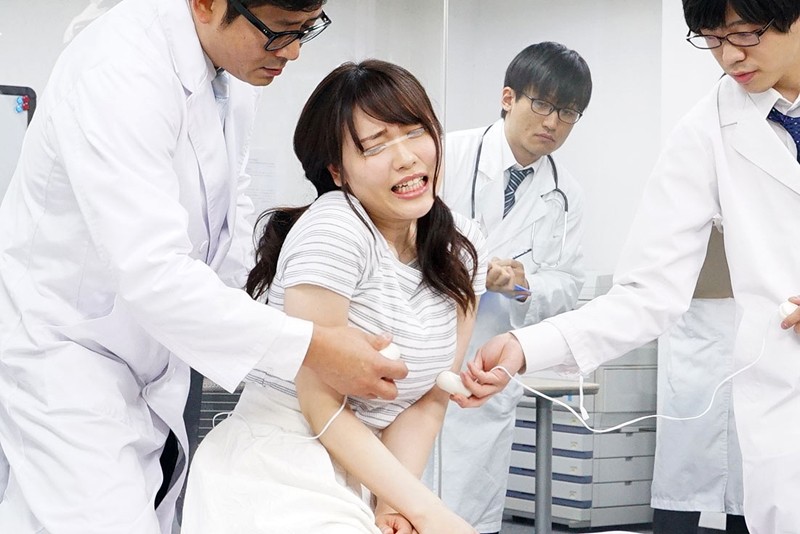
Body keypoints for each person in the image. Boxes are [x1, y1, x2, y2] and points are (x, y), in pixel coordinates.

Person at [0, 1, 409, 533]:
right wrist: (310, 345)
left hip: (151, 357)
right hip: (68, 353)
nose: (293, 52)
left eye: (307, 30)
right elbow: (153, 270)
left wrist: (267, 312)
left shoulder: (231, 74)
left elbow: (227, 214)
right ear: (207, 4)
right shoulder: (118, 67)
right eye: (279, 32)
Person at [462, 1, 800, 532]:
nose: (728, 56)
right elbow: (648, 290)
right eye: (711, 38)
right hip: (785, 404)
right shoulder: (707, 130)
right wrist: (529, 346)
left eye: (744, 34)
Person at [182, 59, 487, 534]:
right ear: (338, 172)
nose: (406, 157)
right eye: (376, 145)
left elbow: (428, 398)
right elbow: (321, 404)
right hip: (281, 463)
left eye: (414, 131)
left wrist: (393, 505)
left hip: (368, 470)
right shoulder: (335, 227)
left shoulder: (462, 248)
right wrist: (429, 512)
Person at [422, 41, 590, 534]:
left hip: (486, 364)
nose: (552, 122)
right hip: (422, 345)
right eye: (541, 104)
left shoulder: (566, 194)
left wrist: (520, 285)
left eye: (568, 112)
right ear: (508, 97)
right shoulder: (445, 154)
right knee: (396, 499)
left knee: (467, 512)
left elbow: (567, 285)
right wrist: (468, 270)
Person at [651, 226, 748, 534]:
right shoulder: (688, 221)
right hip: (695, 337)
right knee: (680, 472)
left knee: (750, 482)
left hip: (758, 336)